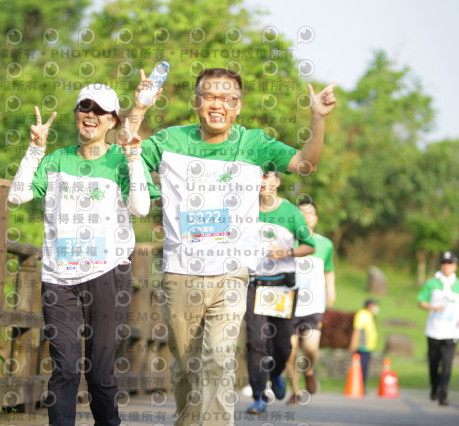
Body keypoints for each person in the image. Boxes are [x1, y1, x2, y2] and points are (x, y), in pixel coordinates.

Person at [124, 67, 336, 425]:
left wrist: (317, 118)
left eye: (228, 98)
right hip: (180, 273)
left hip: (231, 275)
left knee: (218, 360)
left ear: (238, 107)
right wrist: (140, 108)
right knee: (187, 365)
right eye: (209, 96)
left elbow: (306, 163)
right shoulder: (170, 141)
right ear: (196, 103)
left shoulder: (255, 144)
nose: (218, 104)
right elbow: (125, 150)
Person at [7, 83, 159, 426]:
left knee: (101, 376)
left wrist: (134, 160)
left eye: (99, 110)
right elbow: (16, 196)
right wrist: (35, 149)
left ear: (112, 121)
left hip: (108, 274)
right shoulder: (57, 159)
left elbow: (139, 208)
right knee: (65, 369)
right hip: (59, 278)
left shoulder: (122, 159)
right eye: (84, 107)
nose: (90, 115)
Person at [244, 172, 315, 414]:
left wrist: (286, 253)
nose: (263, 183)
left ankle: (275, 375)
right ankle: (258, 395)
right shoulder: (245, 208)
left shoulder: (292, 213)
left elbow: (309, 245)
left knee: (283, 345)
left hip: (282, 286)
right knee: (255, 342)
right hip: (254, 285)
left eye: (268, 178)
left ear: (277, 182)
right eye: (259, 178)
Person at [285, 197, 335, 405]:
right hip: (288, 303)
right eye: (302, 213)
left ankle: (309, 369)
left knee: (311, 348)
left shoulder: (325, 244)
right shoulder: (287, 242)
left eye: (311, 213)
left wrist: (331, 289)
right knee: (290, 351)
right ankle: (296, 391)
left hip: (314, 305)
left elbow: (329, 270)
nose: (307, 217)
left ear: (316, 217)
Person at [417, 251, 459, 406]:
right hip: (434, 329)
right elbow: (421, 301)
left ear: (455, 265)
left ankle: (443, 394)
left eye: (450, 263)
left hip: (452, 330)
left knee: (447, 363)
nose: (447, 266)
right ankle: (434, 387)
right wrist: (433, 307)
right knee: (433, 363)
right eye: (444, 263)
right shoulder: (432, 283)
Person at [348, 299, 378, 389]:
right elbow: (357, 330)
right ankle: (359, 388)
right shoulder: (362, 314)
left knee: (365, 369)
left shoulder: (369, 315)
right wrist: (353, 343)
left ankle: (361, 387)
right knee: (361, 369)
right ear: (370, 305)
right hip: (362, 346)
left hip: (368, 347)